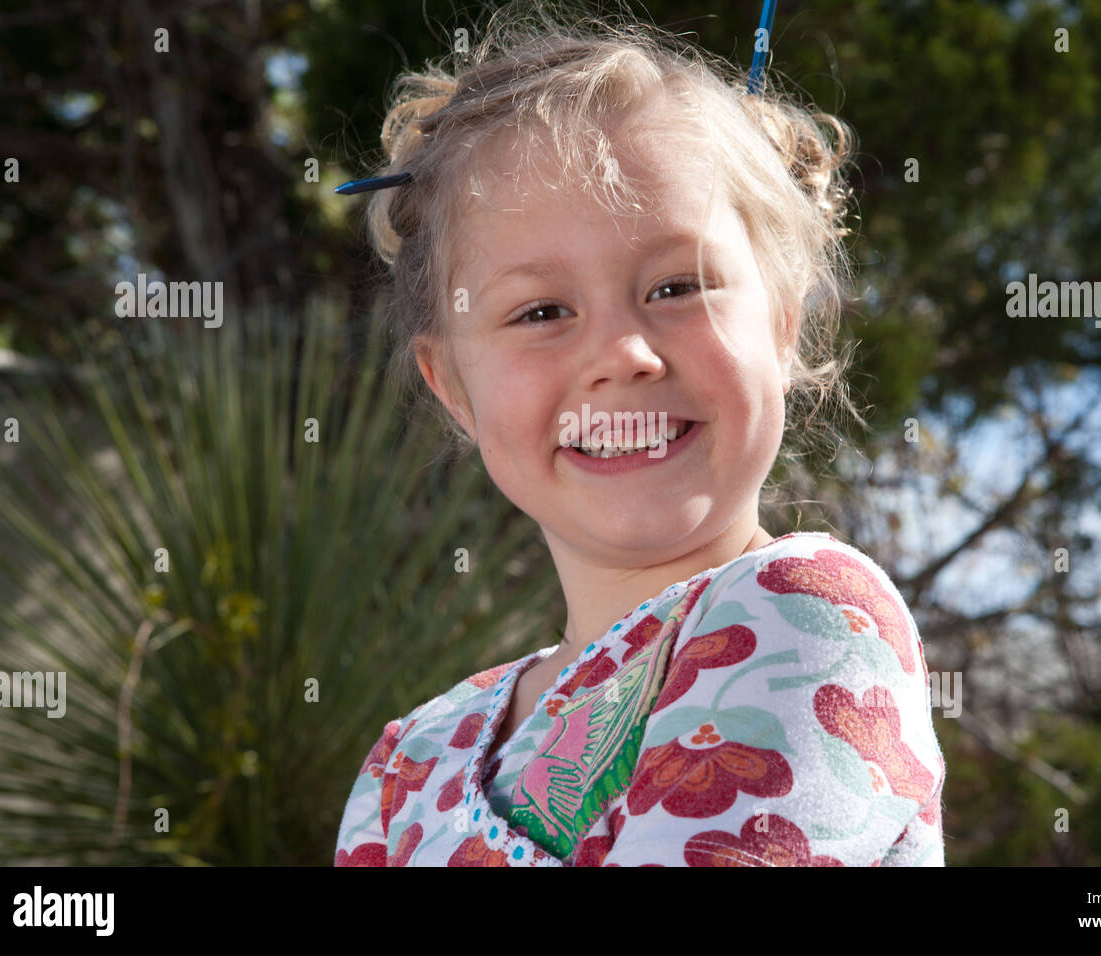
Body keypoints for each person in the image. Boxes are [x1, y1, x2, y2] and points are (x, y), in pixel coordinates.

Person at [334, 0, 945, 866]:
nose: (622, 354)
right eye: (541, 311)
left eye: (677, 287)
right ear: (455, 389)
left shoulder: (807, 615)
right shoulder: (409, 762)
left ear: (781, 321)